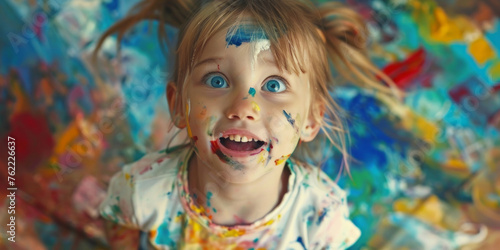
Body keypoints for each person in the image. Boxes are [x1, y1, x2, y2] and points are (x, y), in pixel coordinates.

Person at [96, 0, 397, 249]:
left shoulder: (321, 215)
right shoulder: (142, 191)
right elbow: (119, 225)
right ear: (178, 105)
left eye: (275, 85)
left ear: (311, 118)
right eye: (217, 80)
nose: (244, 108)